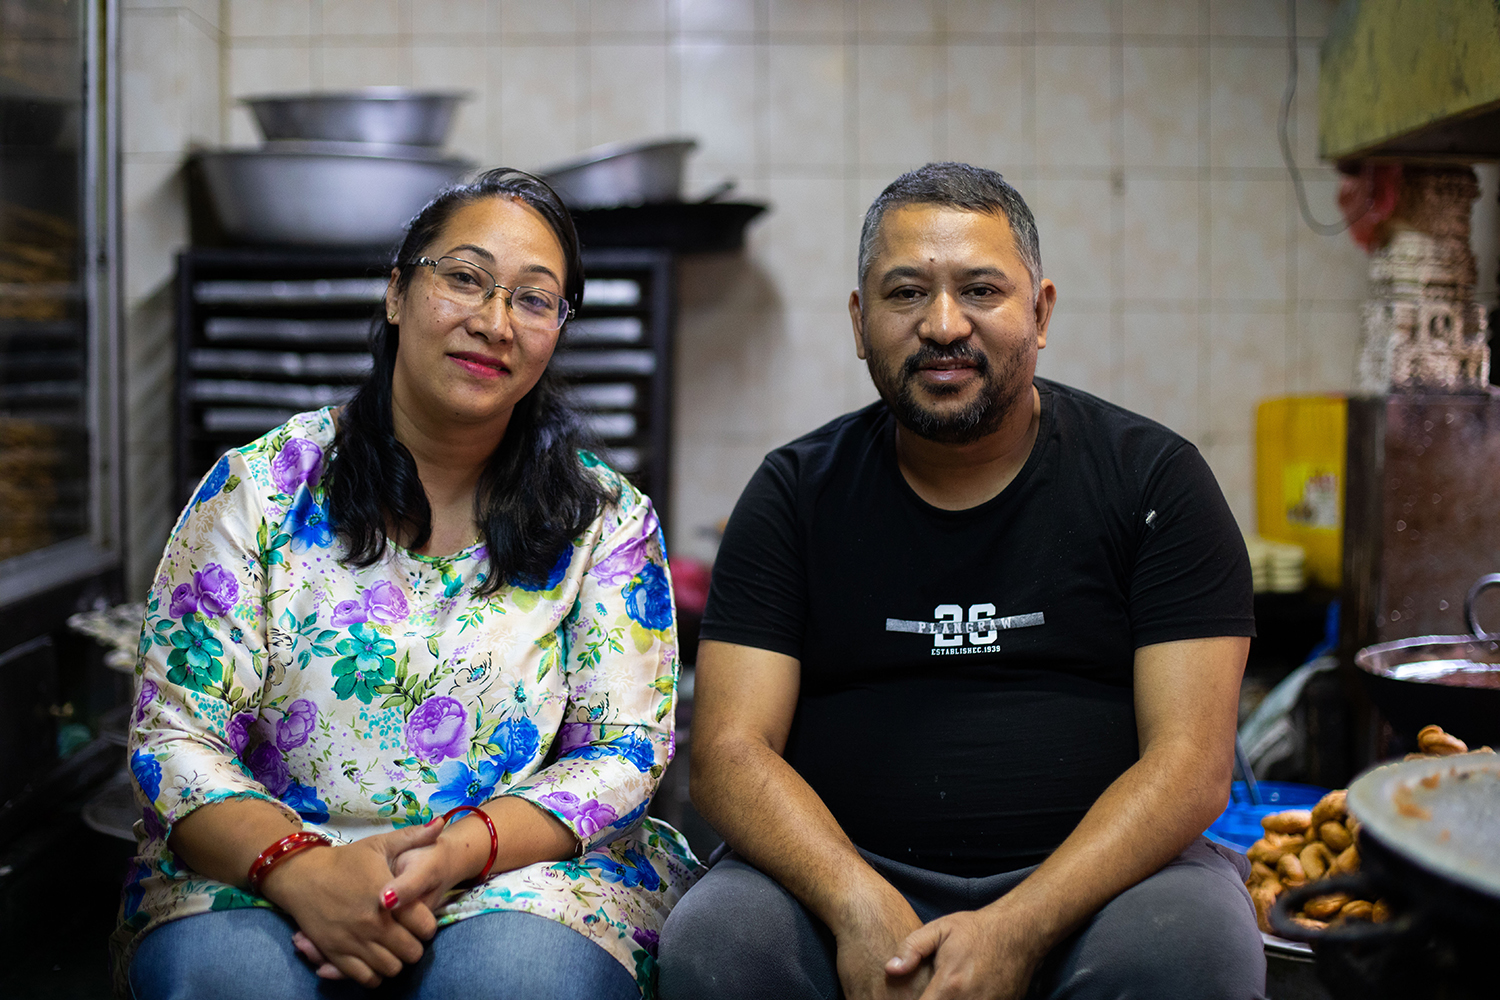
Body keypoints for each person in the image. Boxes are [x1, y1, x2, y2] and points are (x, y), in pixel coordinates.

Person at [657, 162, 1264, 1000]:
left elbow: (1192, 763)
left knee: (1197, 952)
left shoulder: (1155, 482)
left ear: (1040, 313)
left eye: (981, 291)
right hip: (841, 880)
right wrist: (856, 904)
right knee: (718, 945)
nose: (944, 325)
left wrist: (1020, 928)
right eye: (907, 293)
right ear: (860, 321)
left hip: (1103, 889)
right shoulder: (794, 495)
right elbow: (729, 754)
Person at [113, 169, 701, 1000]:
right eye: (464, 277)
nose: (494, 322)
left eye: (535, 300)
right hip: (266, 866)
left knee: (520, 984)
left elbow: (624, 751)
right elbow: (176, 737)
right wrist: (299, 867)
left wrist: (459, 850)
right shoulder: (261, 490)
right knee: (232, 981)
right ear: (396, 292)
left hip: (514, 877)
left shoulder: (603, 520)